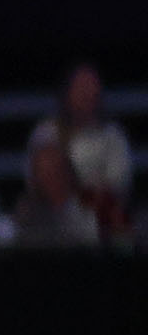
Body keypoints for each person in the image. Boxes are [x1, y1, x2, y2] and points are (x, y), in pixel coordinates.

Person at [36, 62, 131, 234]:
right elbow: (34, 181)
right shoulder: (46, 132)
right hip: (48, 211)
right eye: (81, 87)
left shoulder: (112, 136)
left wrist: (80, 196)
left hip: (98, 211)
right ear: (67, 92)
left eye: (91, 86)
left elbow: (118, 186)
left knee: (116, 215)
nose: (86, 93)